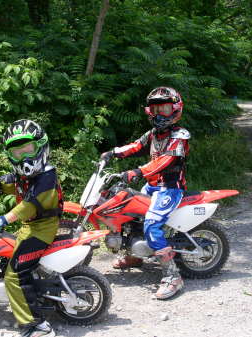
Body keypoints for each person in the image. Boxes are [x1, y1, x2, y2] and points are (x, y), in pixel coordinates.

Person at [0, 119, 61, 337]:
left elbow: (30, 205)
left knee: (15, 273)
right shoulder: (24, 176)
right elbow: (2, 183)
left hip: (42, 229)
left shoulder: (47, 176)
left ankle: (37, 326)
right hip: (30, 227)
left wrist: (4, 219)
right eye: (17, 152)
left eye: (28, 149)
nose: (24, 156)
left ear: (40, 146)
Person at [100, 87, 190, 300]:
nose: (160, 113)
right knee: (130, 213)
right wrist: (113, 153)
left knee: (151, 224)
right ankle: (135, 255)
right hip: (151, 187)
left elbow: (165, 161)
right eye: (156, 108)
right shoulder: (153, 134)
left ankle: (172, 276)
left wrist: (137, 172)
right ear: (150, 111)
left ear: (175, 109)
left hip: (170, 189)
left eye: (165, 108)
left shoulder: (180, 135)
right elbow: (135, 146)